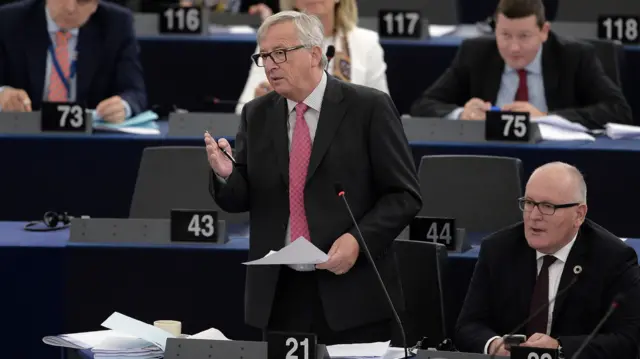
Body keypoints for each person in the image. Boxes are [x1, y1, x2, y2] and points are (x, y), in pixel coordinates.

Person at [204, 11, 421, 344]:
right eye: (263, 56)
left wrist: (357, 242)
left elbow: (403, 195)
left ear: (315, 54)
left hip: (352, 293)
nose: (271, 64)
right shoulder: (257, 114)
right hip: (281, 295)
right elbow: (242, 198)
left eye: (280, 53)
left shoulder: (369, 108)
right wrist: (226, 176)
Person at [455, 162, 640, 358]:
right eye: (528, 203)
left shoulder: (613, 258)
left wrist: (559, 348)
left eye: (547, 206)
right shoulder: (499, 249)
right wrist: (494, 345)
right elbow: (468, 326)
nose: (534, 216)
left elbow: (627, 340)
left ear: (579, 214)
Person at [409, 0, 632, 129]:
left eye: (524, 36)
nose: (514, 48)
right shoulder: (475, 53)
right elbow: (424, 104)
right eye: (505, 35)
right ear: (495, 30)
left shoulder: (574, 56)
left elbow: (618, 110)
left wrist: (546, 118)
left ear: (544, 32)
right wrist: (461, 114)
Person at [0, 0, 147, 123]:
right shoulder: (9, 20)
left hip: (89, 142)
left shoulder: (116, 24)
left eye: (82, 1)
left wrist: (123, 106)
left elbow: (135, 92)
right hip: (25, 137)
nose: (70, 8)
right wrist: (3, 94)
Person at [234, 0, 389, 114]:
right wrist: (261, 101)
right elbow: (243, 109)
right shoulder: (273, 42)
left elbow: (382, 112)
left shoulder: (367, 43)